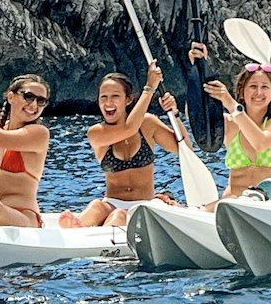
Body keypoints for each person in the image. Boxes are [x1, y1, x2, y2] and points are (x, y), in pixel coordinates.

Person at [58, 64, 184, 228]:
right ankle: (76, 227)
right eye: (103, 97)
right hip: (111, 203)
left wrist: (175, 114)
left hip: (143, 205)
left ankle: (95, 230)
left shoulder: (147, 123)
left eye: (115, 96)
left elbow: (184, 150)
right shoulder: (96, 133)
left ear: (129, 99)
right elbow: (128, 129)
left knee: (119, 215)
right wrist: (149, 88)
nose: (108, 102)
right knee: (97, 205)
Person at [194, 48, 271, 201]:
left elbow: (261, 143)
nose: (259, 92)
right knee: (229, 202)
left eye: (265, 87)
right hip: (235, 205)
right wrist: (197, 67)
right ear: (241, 92)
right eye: (253, 86)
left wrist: (231, 105)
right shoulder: (228, 123)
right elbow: (196, 114)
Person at [0, 56, 51, 228]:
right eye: (28, 97)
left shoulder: (39, 134)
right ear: (11, 97)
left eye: (41, 101)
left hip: (22, 218)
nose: (34, 105)